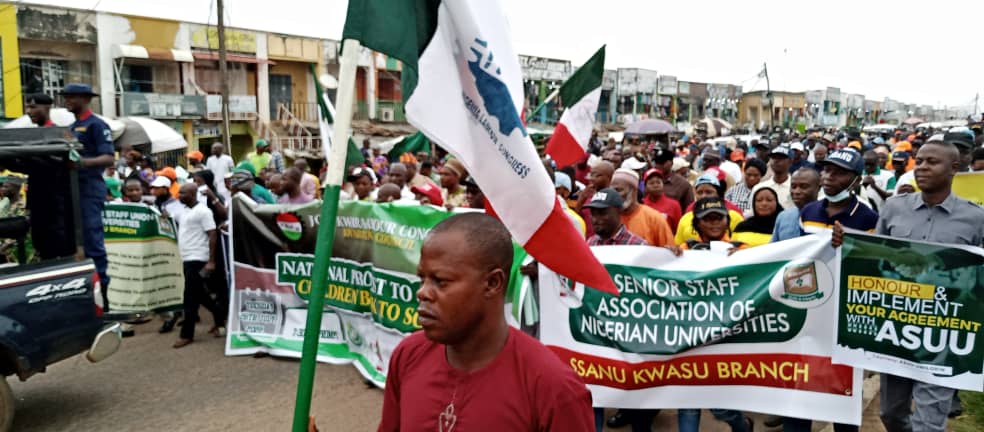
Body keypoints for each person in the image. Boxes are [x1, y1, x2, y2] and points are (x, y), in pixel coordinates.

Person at [377, 213, 594, 431]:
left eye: (440, 281)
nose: (422, 293)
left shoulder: (554, 388)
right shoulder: (408, 355)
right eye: (421, 279)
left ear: (492, 283)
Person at [832, 140, 984, 432]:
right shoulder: (894, 208)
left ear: (954, 168)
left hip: (943, 337)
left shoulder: (976, 218)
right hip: (898, 332)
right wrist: (849, 243)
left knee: (929, 423)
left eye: (931, 162)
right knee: (890, 414)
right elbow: (877, 251)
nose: (922, 168)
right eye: (920, 161)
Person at [63, 83, 115, 301]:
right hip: (74, 190)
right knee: (76, 243)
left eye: (71, 97)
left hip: (90, 189)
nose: (66, 100)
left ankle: (105, 299)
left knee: (93, 243)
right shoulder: (73, 127)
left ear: (84, 98)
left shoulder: (96, 125)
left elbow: (108, 157)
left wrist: (82, 163)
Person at [172, 184, 224, 348]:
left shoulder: (204, 211)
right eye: (179, 192)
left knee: (190, 297)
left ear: (193, 194)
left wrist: (211, 261)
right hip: (187, 258)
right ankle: (220, 318)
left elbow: (213, 235)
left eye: (183, 192)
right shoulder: (184, 211)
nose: (179, 195)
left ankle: (187, 334)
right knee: (200, 294)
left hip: (198, 257)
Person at [800, 149, 878, 234]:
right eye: (827, 170)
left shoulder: (870, 219)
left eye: (840, 173)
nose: (829, 177)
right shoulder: (808, 211)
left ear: (857, 181)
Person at [610, 168, 674, 247]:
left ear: (634, 191)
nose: (614, 195)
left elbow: (669, 253)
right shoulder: (608, 218)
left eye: (618, 190)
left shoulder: (654, 219)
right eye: (612, 191)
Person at [675, 174, 744, 245]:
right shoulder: (686, 218)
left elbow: (741, 246)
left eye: (709, 192)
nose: (703, 196)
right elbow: (678, 246)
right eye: (699, 192)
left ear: (718, 194)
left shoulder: (735, 217)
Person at [678, 197, 746, 251]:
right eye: (708, 218)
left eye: (719, 217)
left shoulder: (741, 249)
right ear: (697, 222)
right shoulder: (686, 249)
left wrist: (741, 257)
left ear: (727, 220)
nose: (715, 222)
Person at [771, 169, 821, 242]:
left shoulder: (827, 217)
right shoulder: (783, 216)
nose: (796, 192)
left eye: (804, 187)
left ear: (818, 188)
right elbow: (773, 248)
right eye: (793, 187)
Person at [575, 161, 615, 238]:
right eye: (592, 175)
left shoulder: (614, 197)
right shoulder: (586, 195)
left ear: (610, 177)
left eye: (598, 175)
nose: (592, 178)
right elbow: (577, 218)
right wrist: (581, 200)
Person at [753, 144, 795, 210]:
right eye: (773, 157)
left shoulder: (796, 188)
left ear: (790, 162)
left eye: (780, 158)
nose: (776, 161)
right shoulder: (759, 188)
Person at [641, 168, 682, 232]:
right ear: (645, 187)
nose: (655, 185)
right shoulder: (641, 204)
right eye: (651, 183)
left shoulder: (674, 205)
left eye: (658, 182)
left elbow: (678, 230)